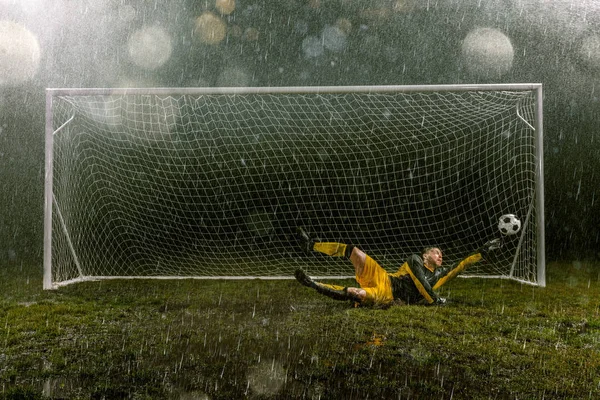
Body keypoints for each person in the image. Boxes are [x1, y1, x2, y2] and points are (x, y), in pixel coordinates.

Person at [294, 227, 502, 308]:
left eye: (441, 254)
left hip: (388, 294)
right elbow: (421, 284)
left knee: (355, 293)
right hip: (385, 278)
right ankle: (311, 245)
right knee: (354, 251)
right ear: (425, 255)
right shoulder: (415, 261)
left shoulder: (441, 274)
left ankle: (314, 284)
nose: (441, 256)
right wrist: (435, 300)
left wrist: (482, 253)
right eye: (436, 252)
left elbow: (461, 264)